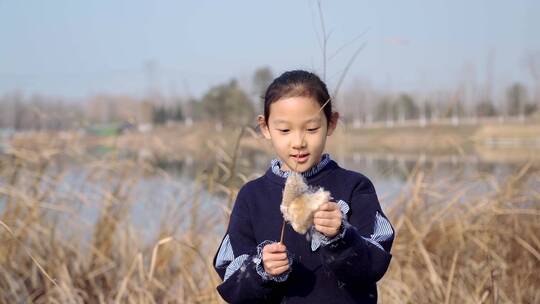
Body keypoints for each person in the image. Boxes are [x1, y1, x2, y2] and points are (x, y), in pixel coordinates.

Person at [213, 70, 394, 303]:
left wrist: (341, 236)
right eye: (285, 130)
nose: (298, 142)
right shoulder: (251, 197)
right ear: (265, 127)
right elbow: (232, 282)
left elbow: (374, 266)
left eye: (311, 129)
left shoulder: (355, 187)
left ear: (331, 123)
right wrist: (261, 270)